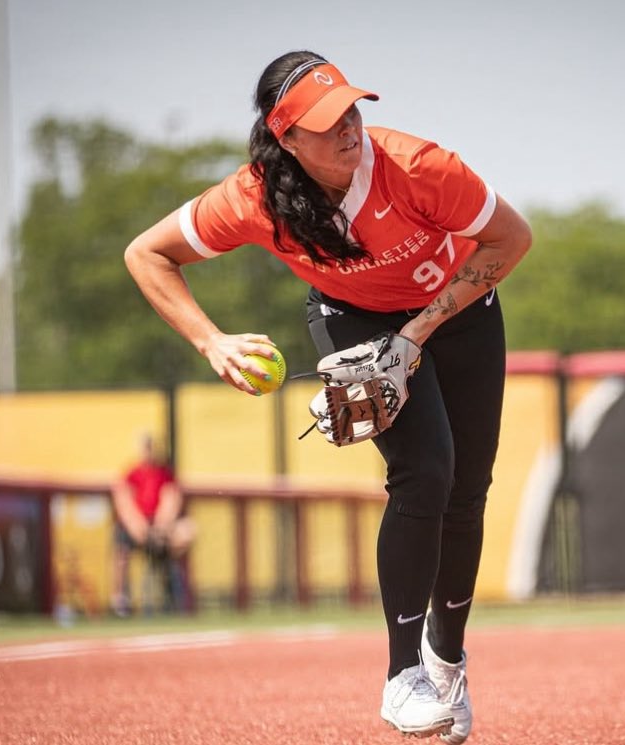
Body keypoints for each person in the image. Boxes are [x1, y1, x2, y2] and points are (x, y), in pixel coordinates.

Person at [124, 50, 532, 741]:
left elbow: (512, 238)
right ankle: (404, 675)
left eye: (349, 107)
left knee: (467, 491)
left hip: (457, 312)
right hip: (354, 318)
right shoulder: (254, 196)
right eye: (324, 119)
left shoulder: (419, 166)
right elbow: (147, 252)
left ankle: (447, 655)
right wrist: (210, 341)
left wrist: (418, 334)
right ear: (286, 136)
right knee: (424, 470)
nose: (347, 125)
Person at [110, 434, 195, 616]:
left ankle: (176, 599)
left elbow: (171, 500)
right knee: (120, 548)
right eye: (145, 447)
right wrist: (140, 528)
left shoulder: (165, 474)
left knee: (186, 532)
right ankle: (120, 600)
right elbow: (124, 502)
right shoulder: (132, 473)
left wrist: (160, 527)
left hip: (159, 528)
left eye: (151, 447)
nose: (149, 451)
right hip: (136, 527)